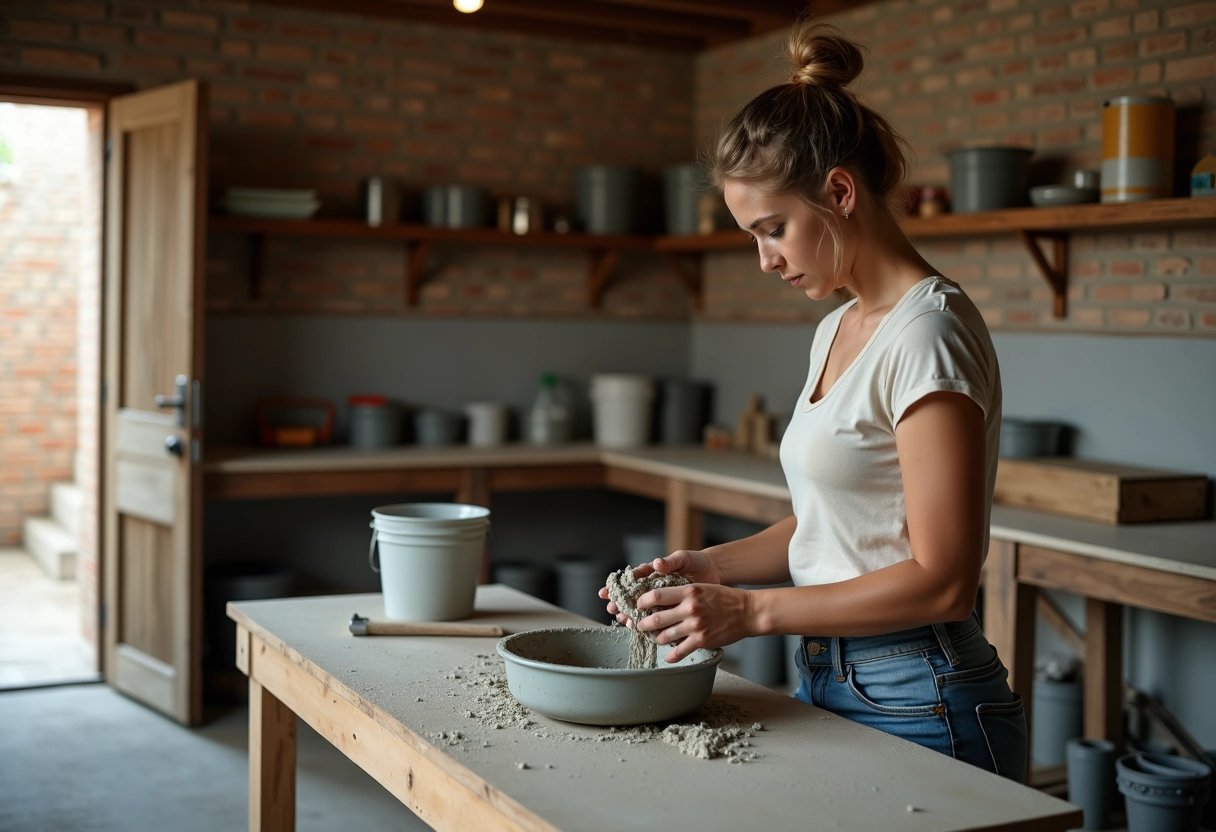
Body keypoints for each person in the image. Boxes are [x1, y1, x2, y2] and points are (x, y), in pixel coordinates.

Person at [600, 22, 1027, 781]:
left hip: (920, 694)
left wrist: (751, 613)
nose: (766, 260)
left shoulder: (928, 334)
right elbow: (842, 522)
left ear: (838, 191)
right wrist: (712, 568)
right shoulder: (836, 327)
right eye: (751, 237)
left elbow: (943, 578)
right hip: (830, 676)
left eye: (773, 230)